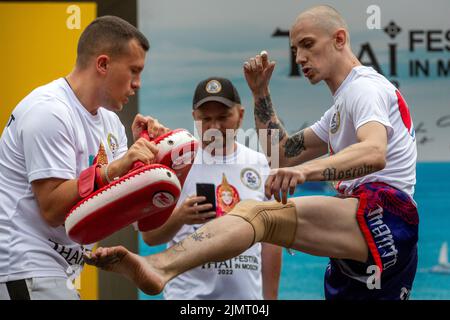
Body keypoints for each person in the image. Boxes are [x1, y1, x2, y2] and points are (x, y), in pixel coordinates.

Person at [84, 5, 419, 300]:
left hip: (385, 213)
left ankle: (159, 267)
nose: (300, 57)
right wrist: (260, 93)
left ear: (340, 39)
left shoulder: (363, 88)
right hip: (374, 224)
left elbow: (375, 152)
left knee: (259, 214)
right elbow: (282, 155)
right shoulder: (340, 108)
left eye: (307, 45)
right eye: (294, 49)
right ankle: (158, 267)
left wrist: (306, 172)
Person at [0, 16, 168, 300]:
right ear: (102, 64)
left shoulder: (111, 123)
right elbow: (53, 209)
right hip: (24, 265)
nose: (137, 83)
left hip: (58, 269)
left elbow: (117, 204)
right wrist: (114, 168)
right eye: (134, 71)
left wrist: (149, 151)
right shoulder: (48, 111)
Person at [141, 77, 282, 300]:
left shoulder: (260, 164)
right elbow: (149, 237)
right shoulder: (177, 164)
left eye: (223, 117)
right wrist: (180, 217)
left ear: (241, 115)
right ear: (194, 118)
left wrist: (270, 299)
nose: (214, 127)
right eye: (205, 119)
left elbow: (272, 240)